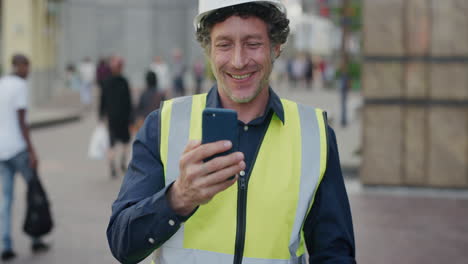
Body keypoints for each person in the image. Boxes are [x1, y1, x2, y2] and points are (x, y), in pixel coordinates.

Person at [107, 1, 356, 263]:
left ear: (276, 47)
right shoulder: (163, 125)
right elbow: (123, 245)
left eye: (253, 44)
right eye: (224, 44)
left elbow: (334, 254)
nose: (238, 61)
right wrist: (179, 197)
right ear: (208, 50)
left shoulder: (315, 134)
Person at [0, 54, 49, 261]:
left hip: (1, 150)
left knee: (6, 199)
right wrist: (32, 151)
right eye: (26, 67)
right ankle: (36, 238)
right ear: (18, 66)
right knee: (33, 192)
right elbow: (22, 121)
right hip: (18, 148)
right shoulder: (20, 86)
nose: (28, 71)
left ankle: (6, 244)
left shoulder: (1, 83)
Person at [99, 56, 133, 178]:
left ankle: (112, 166)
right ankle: (123, 163)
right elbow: (129, 102)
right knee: (126, 142)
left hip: (111, 118)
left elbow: (102, 101)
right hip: (123, 118)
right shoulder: (124, 81)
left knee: (111, 143)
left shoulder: (106, 82)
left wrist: (101, 116)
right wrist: (131, 118)